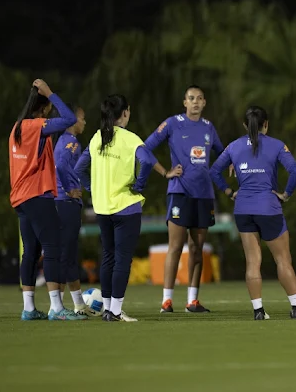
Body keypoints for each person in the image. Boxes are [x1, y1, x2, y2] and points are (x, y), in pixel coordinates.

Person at [75, 94, 181, 321]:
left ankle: (107, 310)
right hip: (125, 207)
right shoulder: (130, 138)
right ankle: (114, 311)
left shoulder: (97, 138)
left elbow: (78, 168)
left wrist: (93, 189)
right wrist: (140, 184)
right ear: (124, 113)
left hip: (102, 208)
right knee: (122, 259)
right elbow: (147, 160)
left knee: (108, 257)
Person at [209, 106, 296, 320]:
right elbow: (295, 171)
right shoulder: (276, 145)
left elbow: (214, 171)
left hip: (243, 209)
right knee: (283, 260)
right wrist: (286, 194)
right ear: (266, 124)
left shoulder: (233, 147)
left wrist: (230, 192)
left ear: (244, 125)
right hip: (268, 208)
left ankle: (258, 311)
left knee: (252, 262)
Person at [9, 79, 85, 321]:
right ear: (44, 109)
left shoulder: (17, 128)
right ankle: (56, 308)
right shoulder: (36, 126)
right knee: (53, 247)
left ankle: (29, 309)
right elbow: (69, 119)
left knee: (30, 251)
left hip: (20, 197)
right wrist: (51, 93)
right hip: (36, 194)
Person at [145, 85, 224, 314]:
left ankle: (192, 301)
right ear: (185, 102)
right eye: (192, 98)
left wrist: (231, 165)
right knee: (176, 246)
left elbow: (223, 152)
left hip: (204, 194)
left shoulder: (209, 127)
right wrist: (164, 172)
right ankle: (167, 301)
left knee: (197, 248)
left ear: (204, 102)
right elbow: (145, 148)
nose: (196, 102)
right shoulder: (172, 123)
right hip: (180, 192)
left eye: (200, 98)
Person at [53, 103, 91, 314]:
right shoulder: (72, 143)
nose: (84, 122)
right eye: (82, 118)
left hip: (61, 203)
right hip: (66, 203)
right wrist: (68, 189)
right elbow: (59, 165)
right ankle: (65, 306)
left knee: (66, 254)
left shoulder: (62, 141)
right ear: (73, 121)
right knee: (67, 254)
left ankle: (75, 304)